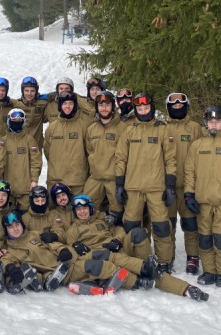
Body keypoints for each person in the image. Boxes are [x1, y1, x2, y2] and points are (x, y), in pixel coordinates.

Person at [64, 195, 208, 299]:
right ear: (75, 212)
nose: (82, 212)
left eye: (84, 208)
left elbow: (119, 230)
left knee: (138, 233)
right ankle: (184, 288)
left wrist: (117, 240)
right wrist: (79, 247)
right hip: (104, 259)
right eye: (78, 210)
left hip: (117, 250)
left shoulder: (101, 221)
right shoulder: (72, 231)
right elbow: (73, 251)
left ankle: (150, 267)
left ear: (90, 209)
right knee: (147, 272)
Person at [183, 105, 221, 290]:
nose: (214, 124)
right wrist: (189, 194)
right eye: (211, 121)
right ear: (206, 122)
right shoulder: (197, 145)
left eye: (217, 121)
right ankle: (209, 271)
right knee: (204, 238)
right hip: (202, 202)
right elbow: (189, 172)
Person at [114, 93, 177, 272]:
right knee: (131, 226)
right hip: (133, 188)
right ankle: (135, 260)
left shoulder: (162, 129)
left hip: (156, 188)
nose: (142, 111)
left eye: (146, 108)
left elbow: (170, 159)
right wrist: (119, 184)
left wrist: (170, 185)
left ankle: (164, 262)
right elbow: (120, 159)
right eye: (139, 109)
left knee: (161, 226)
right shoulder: (129, 130)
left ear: (152, 108)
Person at [164, 92, 206, 275]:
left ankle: (193, 257)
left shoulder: (195, 128)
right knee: (168, 224)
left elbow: (207, 146)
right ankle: (167, 256)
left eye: (181, 104)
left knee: (190, 225)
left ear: (187, 106)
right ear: (168, 107)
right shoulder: (162, 127)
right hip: (168, 186)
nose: (177, 106)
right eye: (173, 104)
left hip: (189, 186)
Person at [84, 90, 126, 223]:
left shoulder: (122, 128)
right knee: (86, 208)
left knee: (118, 212)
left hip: (114, 179)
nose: (104, 108)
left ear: (113, 106)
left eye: (107, 105)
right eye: (101, 105)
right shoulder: (91, 129)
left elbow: (125, 155)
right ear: (97, 107)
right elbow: (89, 151)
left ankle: (118, 240)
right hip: (95, 178)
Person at [44, 91, 90, 195]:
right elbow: (47, 151)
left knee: (78, 209)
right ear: (60, 105)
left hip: (78, 182)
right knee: (55, 211)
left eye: (71, 103)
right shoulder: (52, 127)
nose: (67, 106)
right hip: (56, 181)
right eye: (64, 103)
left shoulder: (83, 126)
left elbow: (89, 151)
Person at [0, 108, 41, 212]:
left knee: (25, 218)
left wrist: (34, 180)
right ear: (9, 122)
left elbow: (36, 162)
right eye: (14, 122)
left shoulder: (29, 140)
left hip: (26, 189)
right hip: (7, 189)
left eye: (19, 122)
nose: (16, 124)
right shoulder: (2, 141)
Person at [14, 76, 48, 149]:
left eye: (32, 91)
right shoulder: (16, 104)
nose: (29, 94)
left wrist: (49, 96)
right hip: (19, 147)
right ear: (22, 91)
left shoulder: (42, 103)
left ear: (36, 91)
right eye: (26, 90)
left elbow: (61, 94)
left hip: (36, 147)